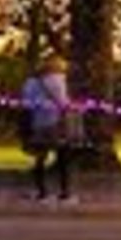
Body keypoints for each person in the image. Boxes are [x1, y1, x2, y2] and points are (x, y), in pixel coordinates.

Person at [21, 54, 77, 203]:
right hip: (56, 123)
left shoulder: (30, 82)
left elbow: (26, 103)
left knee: (40, 158)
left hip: (38, 123)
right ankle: (65, 194)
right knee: (63, 157)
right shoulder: (58, 80)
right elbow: (63, 102)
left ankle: (42, 193)